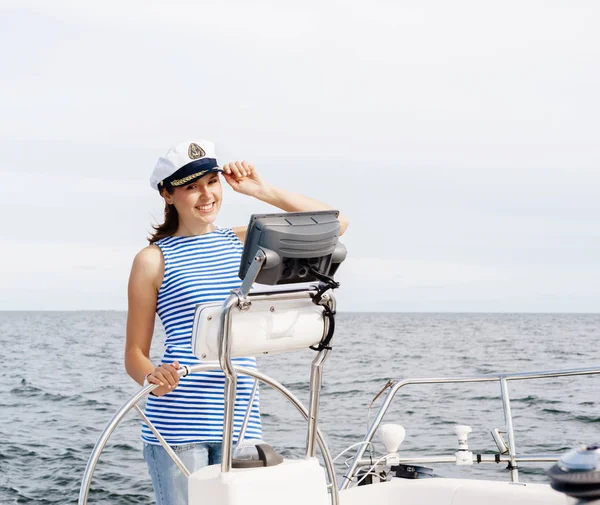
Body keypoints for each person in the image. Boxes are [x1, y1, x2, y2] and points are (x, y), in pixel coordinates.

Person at [125, 139, 349, 505]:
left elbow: (335, 224)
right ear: (168, 195)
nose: (205, 195)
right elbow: (134, 353)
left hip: (241, 423)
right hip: (179, 425)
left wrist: (261, 190)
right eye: (191, 187)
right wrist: (153, 375)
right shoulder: (152, 260)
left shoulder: (244, 243)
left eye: (211, 182)